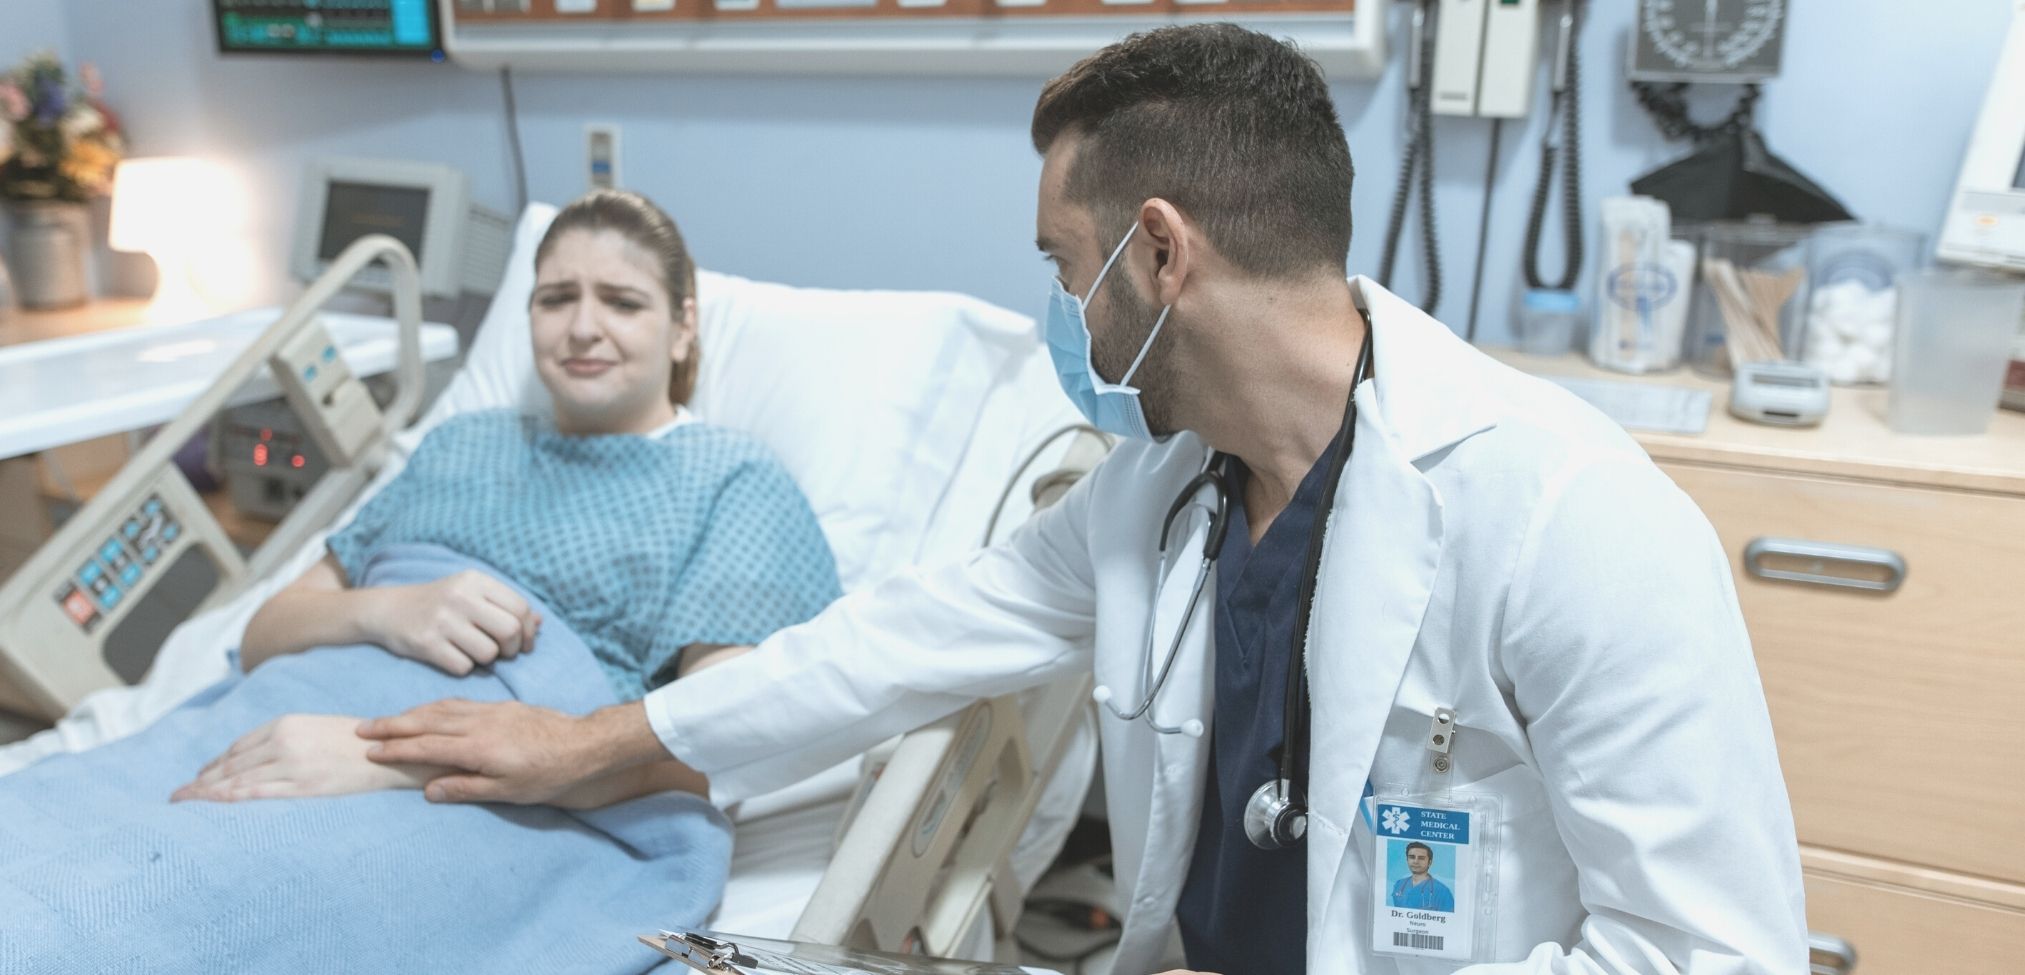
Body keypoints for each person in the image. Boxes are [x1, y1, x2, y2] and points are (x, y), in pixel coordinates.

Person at [358, 27, 1809, 974]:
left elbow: (1715, 954)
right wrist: (587, 744)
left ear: (1159, 253)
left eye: (1065, 264)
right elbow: (889, 645)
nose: (1060, 309)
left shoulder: (1574, 521)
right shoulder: (1159, 496)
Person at [0, 190, 841, 972]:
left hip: (486, 793)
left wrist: (388, 754)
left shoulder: (730, 480)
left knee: (128, 911)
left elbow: (722, 733)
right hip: (269, 719)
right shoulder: (459, 445)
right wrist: (388, 609)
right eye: (556, 298)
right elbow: (265, 631)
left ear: (684, 327)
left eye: (622, 301)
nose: (584, 326)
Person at [1390, 842, 1454, 912]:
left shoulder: (1442, 891)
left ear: (1429, 862)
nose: (1416, 861)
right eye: (1412, 857)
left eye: (1421, 858)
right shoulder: (1399, 885)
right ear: (1407, 860)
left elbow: (1449, 920)